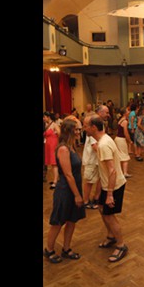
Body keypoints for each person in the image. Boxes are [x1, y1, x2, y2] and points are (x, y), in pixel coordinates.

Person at [85, 115, 129, 262]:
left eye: (86, 126)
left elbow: (112, 171)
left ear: (93, 128)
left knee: (109, 215)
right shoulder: (104, 140)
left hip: (114, 186)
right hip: (107, 185)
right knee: (102, 209)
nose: (84, 128)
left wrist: (109, 194)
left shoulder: (103, 145)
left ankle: (121, 245)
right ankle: (111, 236)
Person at [43, 119, 86, 263]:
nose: (79, 132)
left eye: (79, 129)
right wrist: (77, 195)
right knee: (58, 221)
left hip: (74, 188)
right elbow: (68, 174)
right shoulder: (63, 149)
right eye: (77, 129)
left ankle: (66, 249)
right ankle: (49, 250)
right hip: (65, 190)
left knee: (72, 220)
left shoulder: (71, 146)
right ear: (69, 131)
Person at [82, 113, 101, 210]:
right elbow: (95, 147)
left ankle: (95, 198)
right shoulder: (92, 132)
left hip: (95, 161)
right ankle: (85, 201)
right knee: (89, 181)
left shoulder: (95, 130)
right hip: (91, 161)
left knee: (96, 180)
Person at [43, 112, 60, 189]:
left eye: (44, 117)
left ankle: (55, 181)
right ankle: (55, 179)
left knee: (54, 163)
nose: (43, 118)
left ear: (48, 117)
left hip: (53, 145)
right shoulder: (46, 125)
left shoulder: (54, 125)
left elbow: (59, 133)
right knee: (52, 164)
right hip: (48, 145)